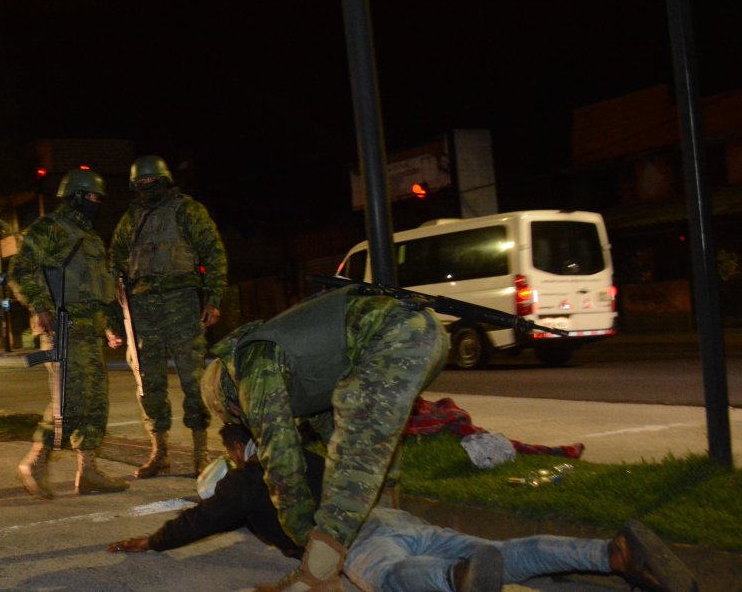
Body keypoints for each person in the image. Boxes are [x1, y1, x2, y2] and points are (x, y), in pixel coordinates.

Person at [107, 424, 698, 592]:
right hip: (396, 517)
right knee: (496, 552)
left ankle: (449, 582)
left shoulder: (242, 482)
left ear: (239, 447)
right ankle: (612, 555)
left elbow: (200, 518)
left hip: (354, 540)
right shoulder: (312, 456)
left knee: (388, 576)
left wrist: (153, 542)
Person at [199, 286, 450, 590]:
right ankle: (388, 528)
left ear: (229, 400)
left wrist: (305, 536)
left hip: (395, 335)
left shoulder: (252, 368)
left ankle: (316, 576)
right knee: (370, 444)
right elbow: (336, 435)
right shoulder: (292, 368)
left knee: (356, 457)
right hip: (423, 332)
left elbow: (283, 464)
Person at [8, 167, 129, 499]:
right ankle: (34, 461)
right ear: (76, 196)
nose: (97, 203)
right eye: (92, 197)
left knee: (95, 404)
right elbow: (20, 271)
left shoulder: (90, 238)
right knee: (69, 403)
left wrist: (109, 327)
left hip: (89, 332)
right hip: (61, 327)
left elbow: (97, 289)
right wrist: (39, 305)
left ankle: (88, 472)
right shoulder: (49, 229)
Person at [108, 154, 227, 478]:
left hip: (182, 303)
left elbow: (213, 253)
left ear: (164, 180)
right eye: (140, 184)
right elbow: (115, 262)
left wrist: (213, 299)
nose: (147, 188)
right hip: (142, 309)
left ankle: (200, 453)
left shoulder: (188, 210)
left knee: (194, 381)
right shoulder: (131, 219)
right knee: (148, 382)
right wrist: (113, 313)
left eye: (151, 182)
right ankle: (159, 451)